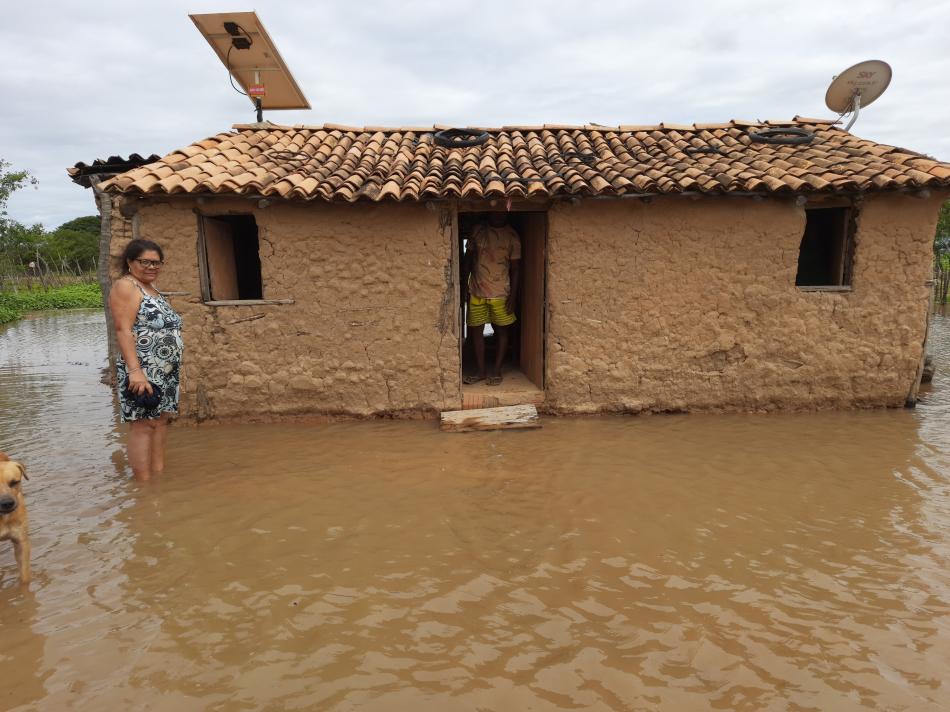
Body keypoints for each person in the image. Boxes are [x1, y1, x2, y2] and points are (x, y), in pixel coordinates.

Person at [108, 239, 183, 480]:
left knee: (160, 422)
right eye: (145, 262)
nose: (152, 267)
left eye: (157, 263)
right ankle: (143, 485)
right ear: (130, 262)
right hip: (142, 369)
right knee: (142, 426)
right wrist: (135, 371)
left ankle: (157, 478)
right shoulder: (127, 286)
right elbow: (123, 329)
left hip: (164, 371)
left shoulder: (151, 289)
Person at [463, 213, 521, 386]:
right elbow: (468, 259)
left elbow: (516, 269)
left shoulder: (512, 236)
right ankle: (481, 371)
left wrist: (513, 297)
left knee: (502, 331)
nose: (498, 216)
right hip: (477, 290)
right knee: (476, 332)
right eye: (496, 212)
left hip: (501, 292)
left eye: (502, 212)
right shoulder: (478, 231)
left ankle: (496, 370)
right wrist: (462, 283)